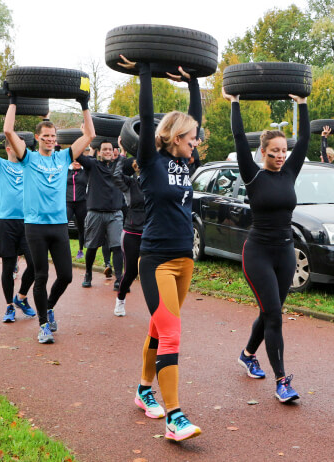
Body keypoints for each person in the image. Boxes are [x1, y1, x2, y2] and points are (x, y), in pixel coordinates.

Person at [117, 55, 202, 442]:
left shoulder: (189, 161)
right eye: (190, 137)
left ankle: (142, 388)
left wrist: (193, 83)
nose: (195, 142)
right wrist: (145, 71)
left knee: (157, 328)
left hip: (185, 260)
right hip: (155, 260)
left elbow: (194, 116)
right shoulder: (150, 160)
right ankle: (175, 416)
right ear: (174, 138)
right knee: (171, 335)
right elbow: (147, 115)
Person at [224, 87, 310, 404]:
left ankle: (248, 354)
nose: (279, 155)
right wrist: (235, 102)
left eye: (282, 150)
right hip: (257, 252)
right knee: (274, 315)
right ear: (262, 153)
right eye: (273, 150)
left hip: (285, 254)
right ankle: (281, 382)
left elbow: (304, 142)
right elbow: (237, 138)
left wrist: (302, 104)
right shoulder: (252, 175)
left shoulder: (290, 171)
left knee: (270, 311)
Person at [3, 82, 95, 344]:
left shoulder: (64, 158)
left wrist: (84, 104)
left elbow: (90, 135)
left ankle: (49, 307)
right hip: (35, 226)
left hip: (58, 226)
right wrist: (13, 98)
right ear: (38, 138)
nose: (51, 139)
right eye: (46, 136)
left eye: (53, 136)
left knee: (66, 275)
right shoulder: (29, 158)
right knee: (41, 276)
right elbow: (8, 130)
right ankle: (43, 325)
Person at [0, 104, 38, 322]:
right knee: (8, 265)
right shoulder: (0, 165)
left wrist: (44, 119)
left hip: (29, 222)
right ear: (8, 148)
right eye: (14, 143)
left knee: (35, 264)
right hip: (6, 222)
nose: (19, 146)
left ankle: (21, 296)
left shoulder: (31, 166)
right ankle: (9, 306)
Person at [79, 140, 124, 289]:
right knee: (91, 247)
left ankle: (119, 278)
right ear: (99, 152)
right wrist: (87, 137)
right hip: (95, 213)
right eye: (104, 149)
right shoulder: (93, 165)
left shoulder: (119, 166)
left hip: (115, 214)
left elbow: (137, 159)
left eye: (110, 149)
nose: (107, 151)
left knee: (117, 246)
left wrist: (125, 145)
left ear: (113, 152)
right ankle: (88, 273)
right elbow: (77, 155)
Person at [112, 152, 145, 317]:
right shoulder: (130, 184)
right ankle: (120, 299)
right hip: (132, 233)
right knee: (132, 271)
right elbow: (116, 175)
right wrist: (121, 155)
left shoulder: (156, 184)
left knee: (155, 271)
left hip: (152, 233)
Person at [66, 160, 88, 260]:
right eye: (75, 161)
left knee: (81, 227)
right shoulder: (66, 171)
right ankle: (64, 249)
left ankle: (80, 250)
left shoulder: (85, 172)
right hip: (68, 202)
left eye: (79, 161)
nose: (77, 162)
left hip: (81, 202)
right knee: (63, 224)